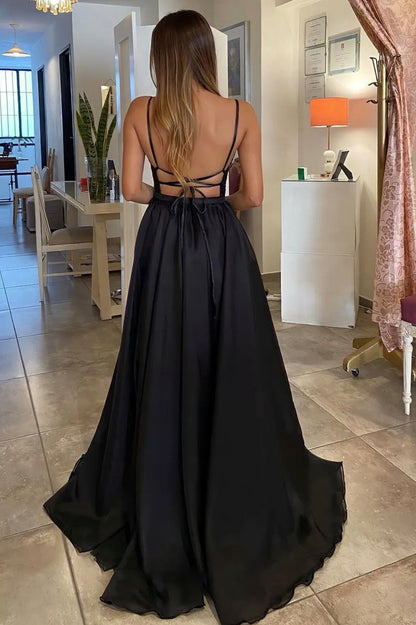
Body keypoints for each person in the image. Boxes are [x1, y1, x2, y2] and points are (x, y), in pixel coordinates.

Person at [44, 10, 346, 625]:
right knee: (231, 355)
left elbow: (132, 189)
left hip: (164, 244)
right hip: (219, 244)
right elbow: (253, 195)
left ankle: (165, 477)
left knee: (163, 355)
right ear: (207, 53)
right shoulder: (240, 113)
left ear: (161, 57)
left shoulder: (139, 112)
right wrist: (213, 203)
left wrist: (173, 196)